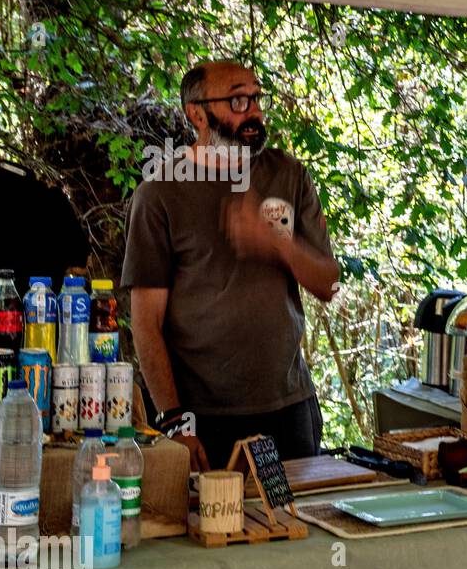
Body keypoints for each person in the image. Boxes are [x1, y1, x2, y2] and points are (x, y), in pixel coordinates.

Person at [121, 60, 339, 472]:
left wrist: (278, 244)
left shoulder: (287, 174)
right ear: (197, 114)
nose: (253, 111)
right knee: (211, 531)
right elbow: (146, 324)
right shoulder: (159, 194)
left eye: (256, 97)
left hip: (289, 408)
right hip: (205, 420)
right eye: (238, 99)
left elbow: (329, 284)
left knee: (299, 531)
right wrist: (175, 422)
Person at [0, 154, 91, 295]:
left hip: (7, 309)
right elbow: (81, 264)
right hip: (43, 309)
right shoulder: (51, 198)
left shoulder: (49, 198)